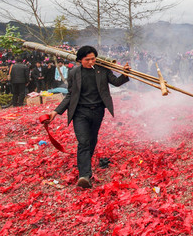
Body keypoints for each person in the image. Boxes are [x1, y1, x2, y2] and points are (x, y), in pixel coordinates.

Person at [46, 46, 130, 189]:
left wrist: (125, 73)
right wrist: (56, 111)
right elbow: (70, 94)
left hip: (97, 111)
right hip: (80, 112)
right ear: (80, 60)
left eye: (93, 58)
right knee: (83, 142)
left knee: (92, 139)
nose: (91, 61)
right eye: (87, 59)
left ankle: (85, 162)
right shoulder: (74, 73)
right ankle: (84, 175)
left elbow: (116, 82)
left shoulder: (102, 69)